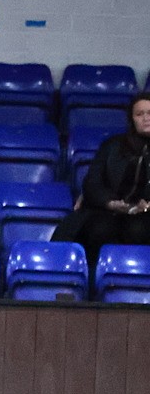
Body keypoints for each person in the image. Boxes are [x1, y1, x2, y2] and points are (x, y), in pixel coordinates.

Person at [53, 93, 150, 266]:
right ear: (132, 119)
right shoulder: (112, 145)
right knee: (101, 230)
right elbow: (92, 183)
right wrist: (110, 203)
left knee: (138, 230)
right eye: (139, 114)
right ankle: (95, 278)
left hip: (144, 215)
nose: (146, 118)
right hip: (105, 211)